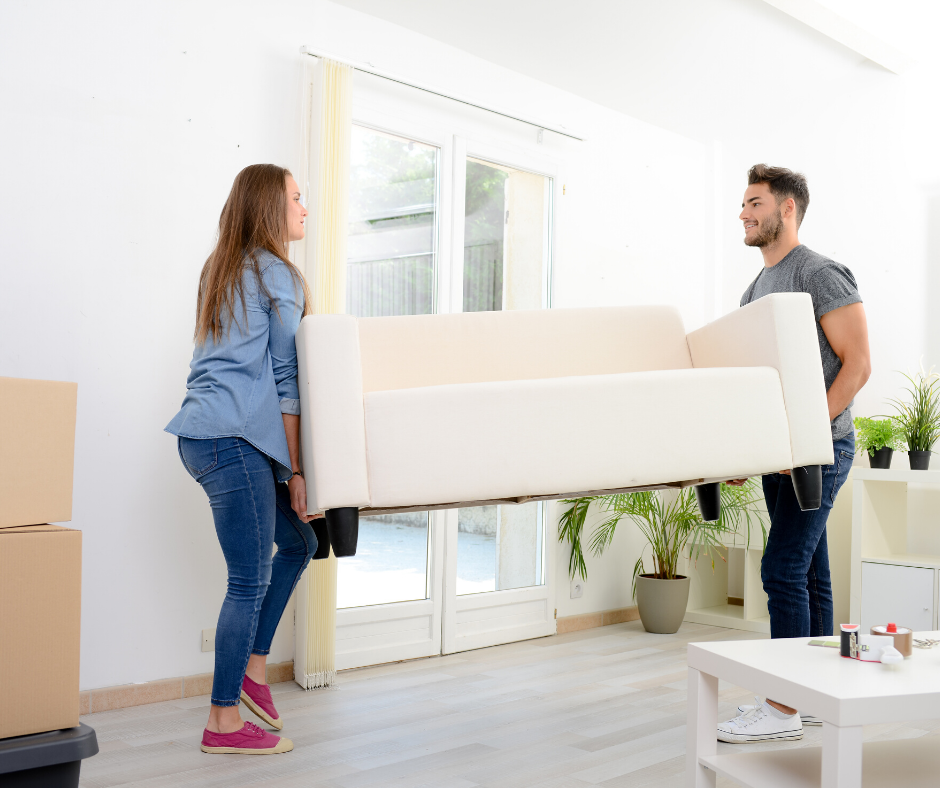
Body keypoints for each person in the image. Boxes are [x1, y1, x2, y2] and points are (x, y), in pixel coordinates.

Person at [165, 164, 318, 755]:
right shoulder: (278, 272)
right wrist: (298, 472)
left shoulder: (221, 266)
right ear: (268, 207)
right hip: (232, 441)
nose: (305, 209)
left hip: (202, 436)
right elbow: (286, 379)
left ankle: (253, 672)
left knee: (299, 544)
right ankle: (223, 721)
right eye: (297, 199)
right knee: (248, 581)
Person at [716, 164, 871, 744]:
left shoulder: (821, 274)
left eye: (754, 202)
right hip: (780, 455)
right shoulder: (754, 291)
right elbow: (755, 384)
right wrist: (746, 452)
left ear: (786, 209)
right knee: (809, 575)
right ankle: (814, 699)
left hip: (819, 451)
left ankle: (781, 709)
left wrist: (802, 436)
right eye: (742, 204)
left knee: (781, 570)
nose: (743, 213)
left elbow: (857, 367)